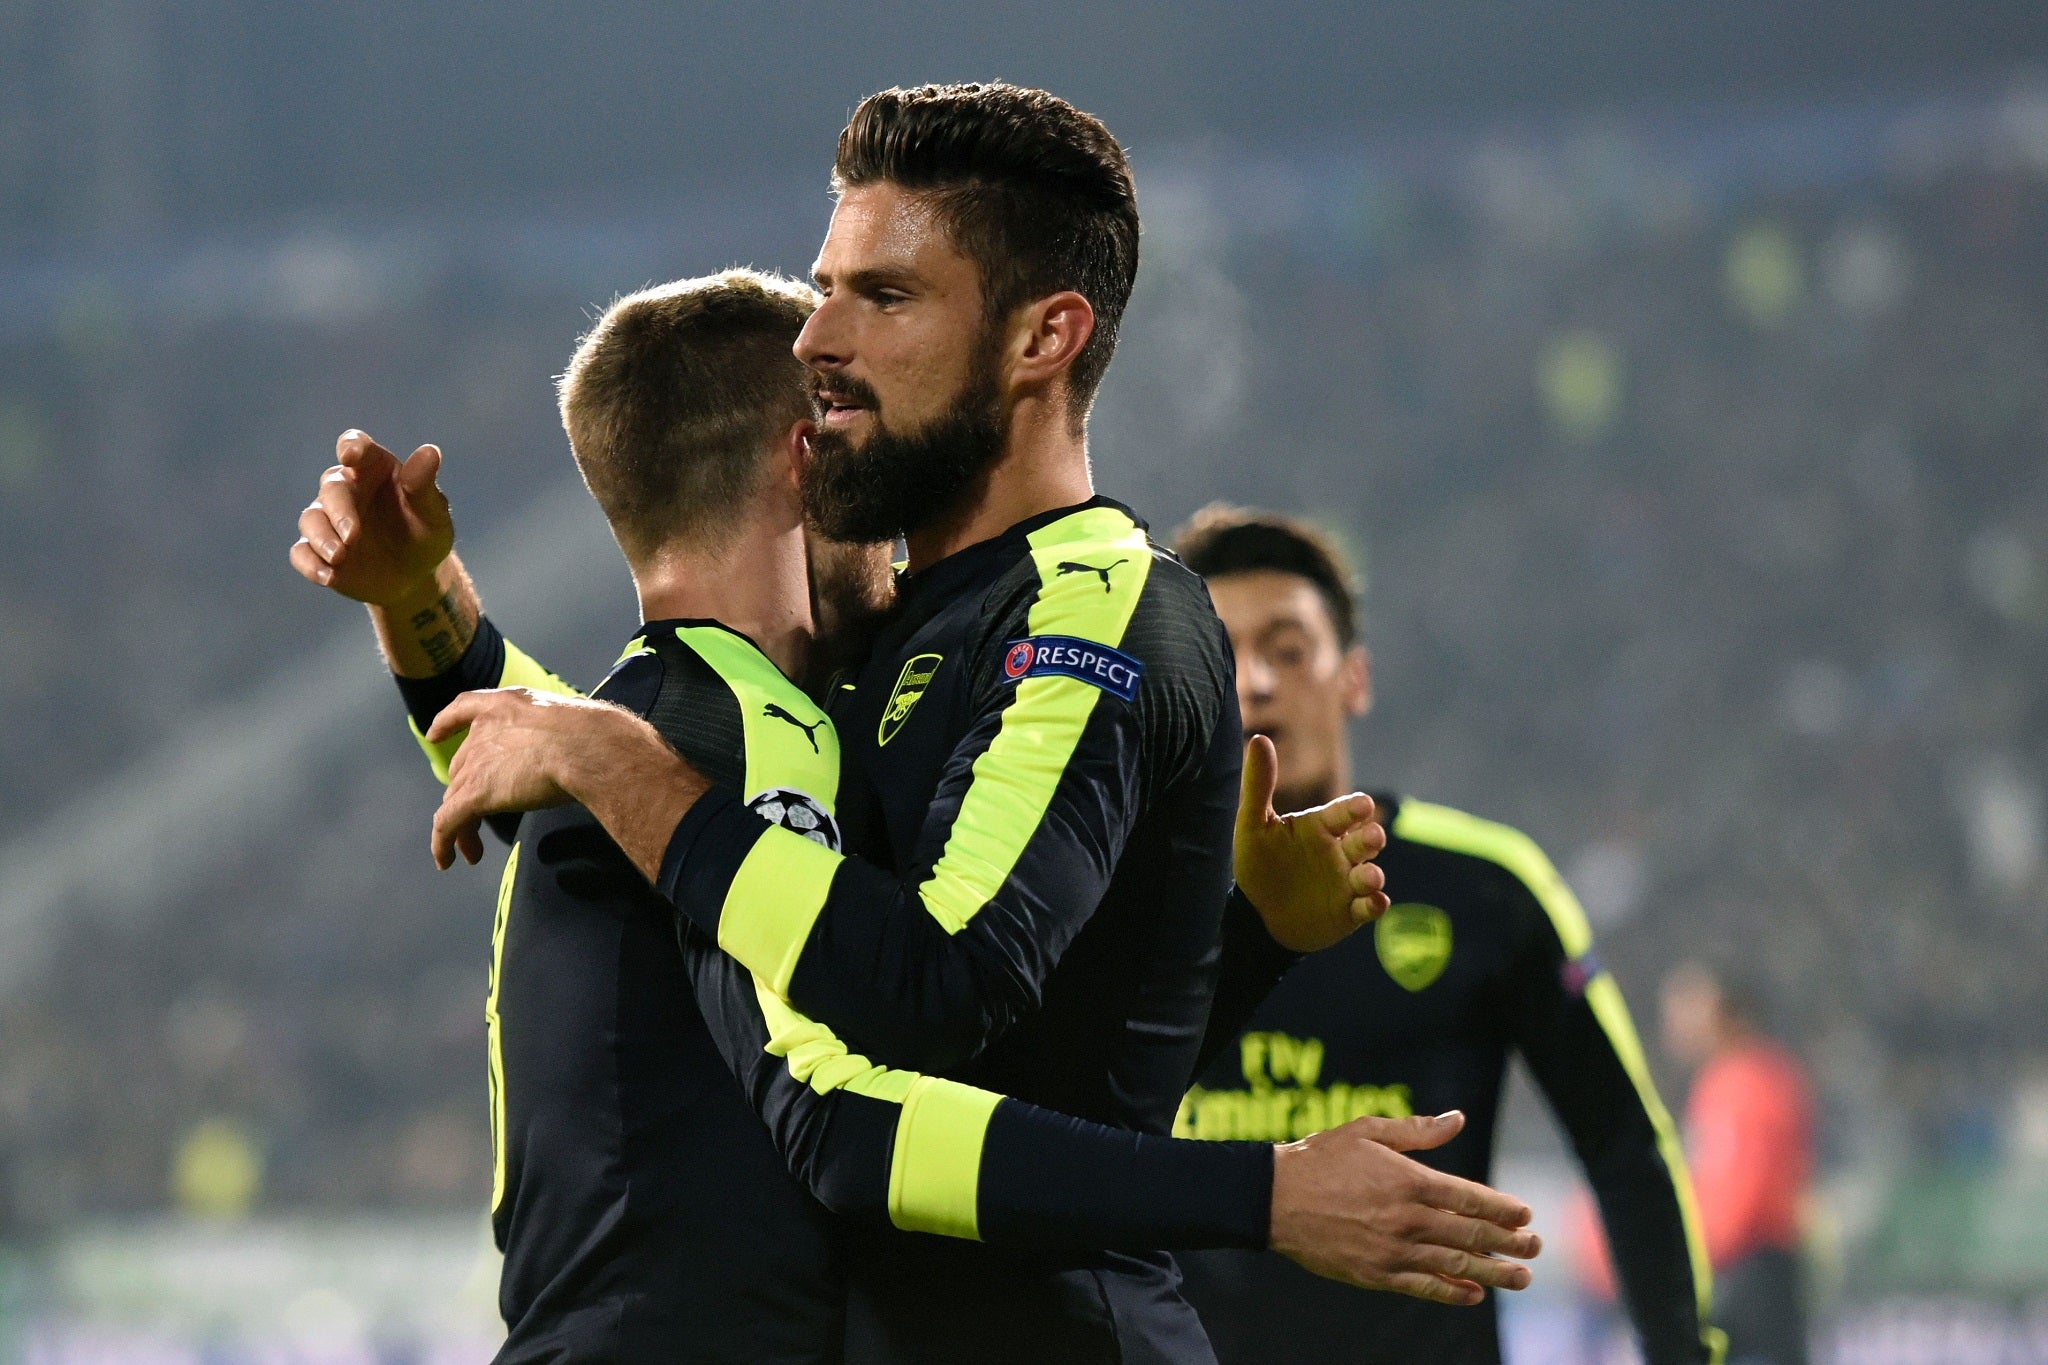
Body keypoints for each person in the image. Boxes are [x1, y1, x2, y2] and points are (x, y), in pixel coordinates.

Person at [408, 84, 1537, 1362]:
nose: (816, 337)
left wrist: (624, 769)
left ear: (1042, 338)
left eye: (880, 297)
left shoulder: (1094, 610)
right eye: (824, 286)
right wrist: (429, 620)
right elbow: (1048, 1051)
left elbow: (938, 992)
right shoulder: (880, 633)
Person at [1165, 505, 1724, 1364]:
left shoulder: (1488, 887)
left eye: (1286, 648)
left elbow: (1624, 1143)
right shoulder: (1124, 896)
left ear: (1354, 677)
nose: (1255, 683)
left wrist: (1683, 1354)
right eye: (1222, 654)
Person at [1661, 961, 1813, 1365]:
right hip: (1745, 1279)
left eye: (1689, 1005)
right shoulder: (1727, 1082)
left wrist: (1682, 1262)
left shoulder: (1747, 1086)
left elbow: (1739, 1203)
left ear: (1727, 1014)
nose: (1675, 1021)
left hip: (1749, 1282)